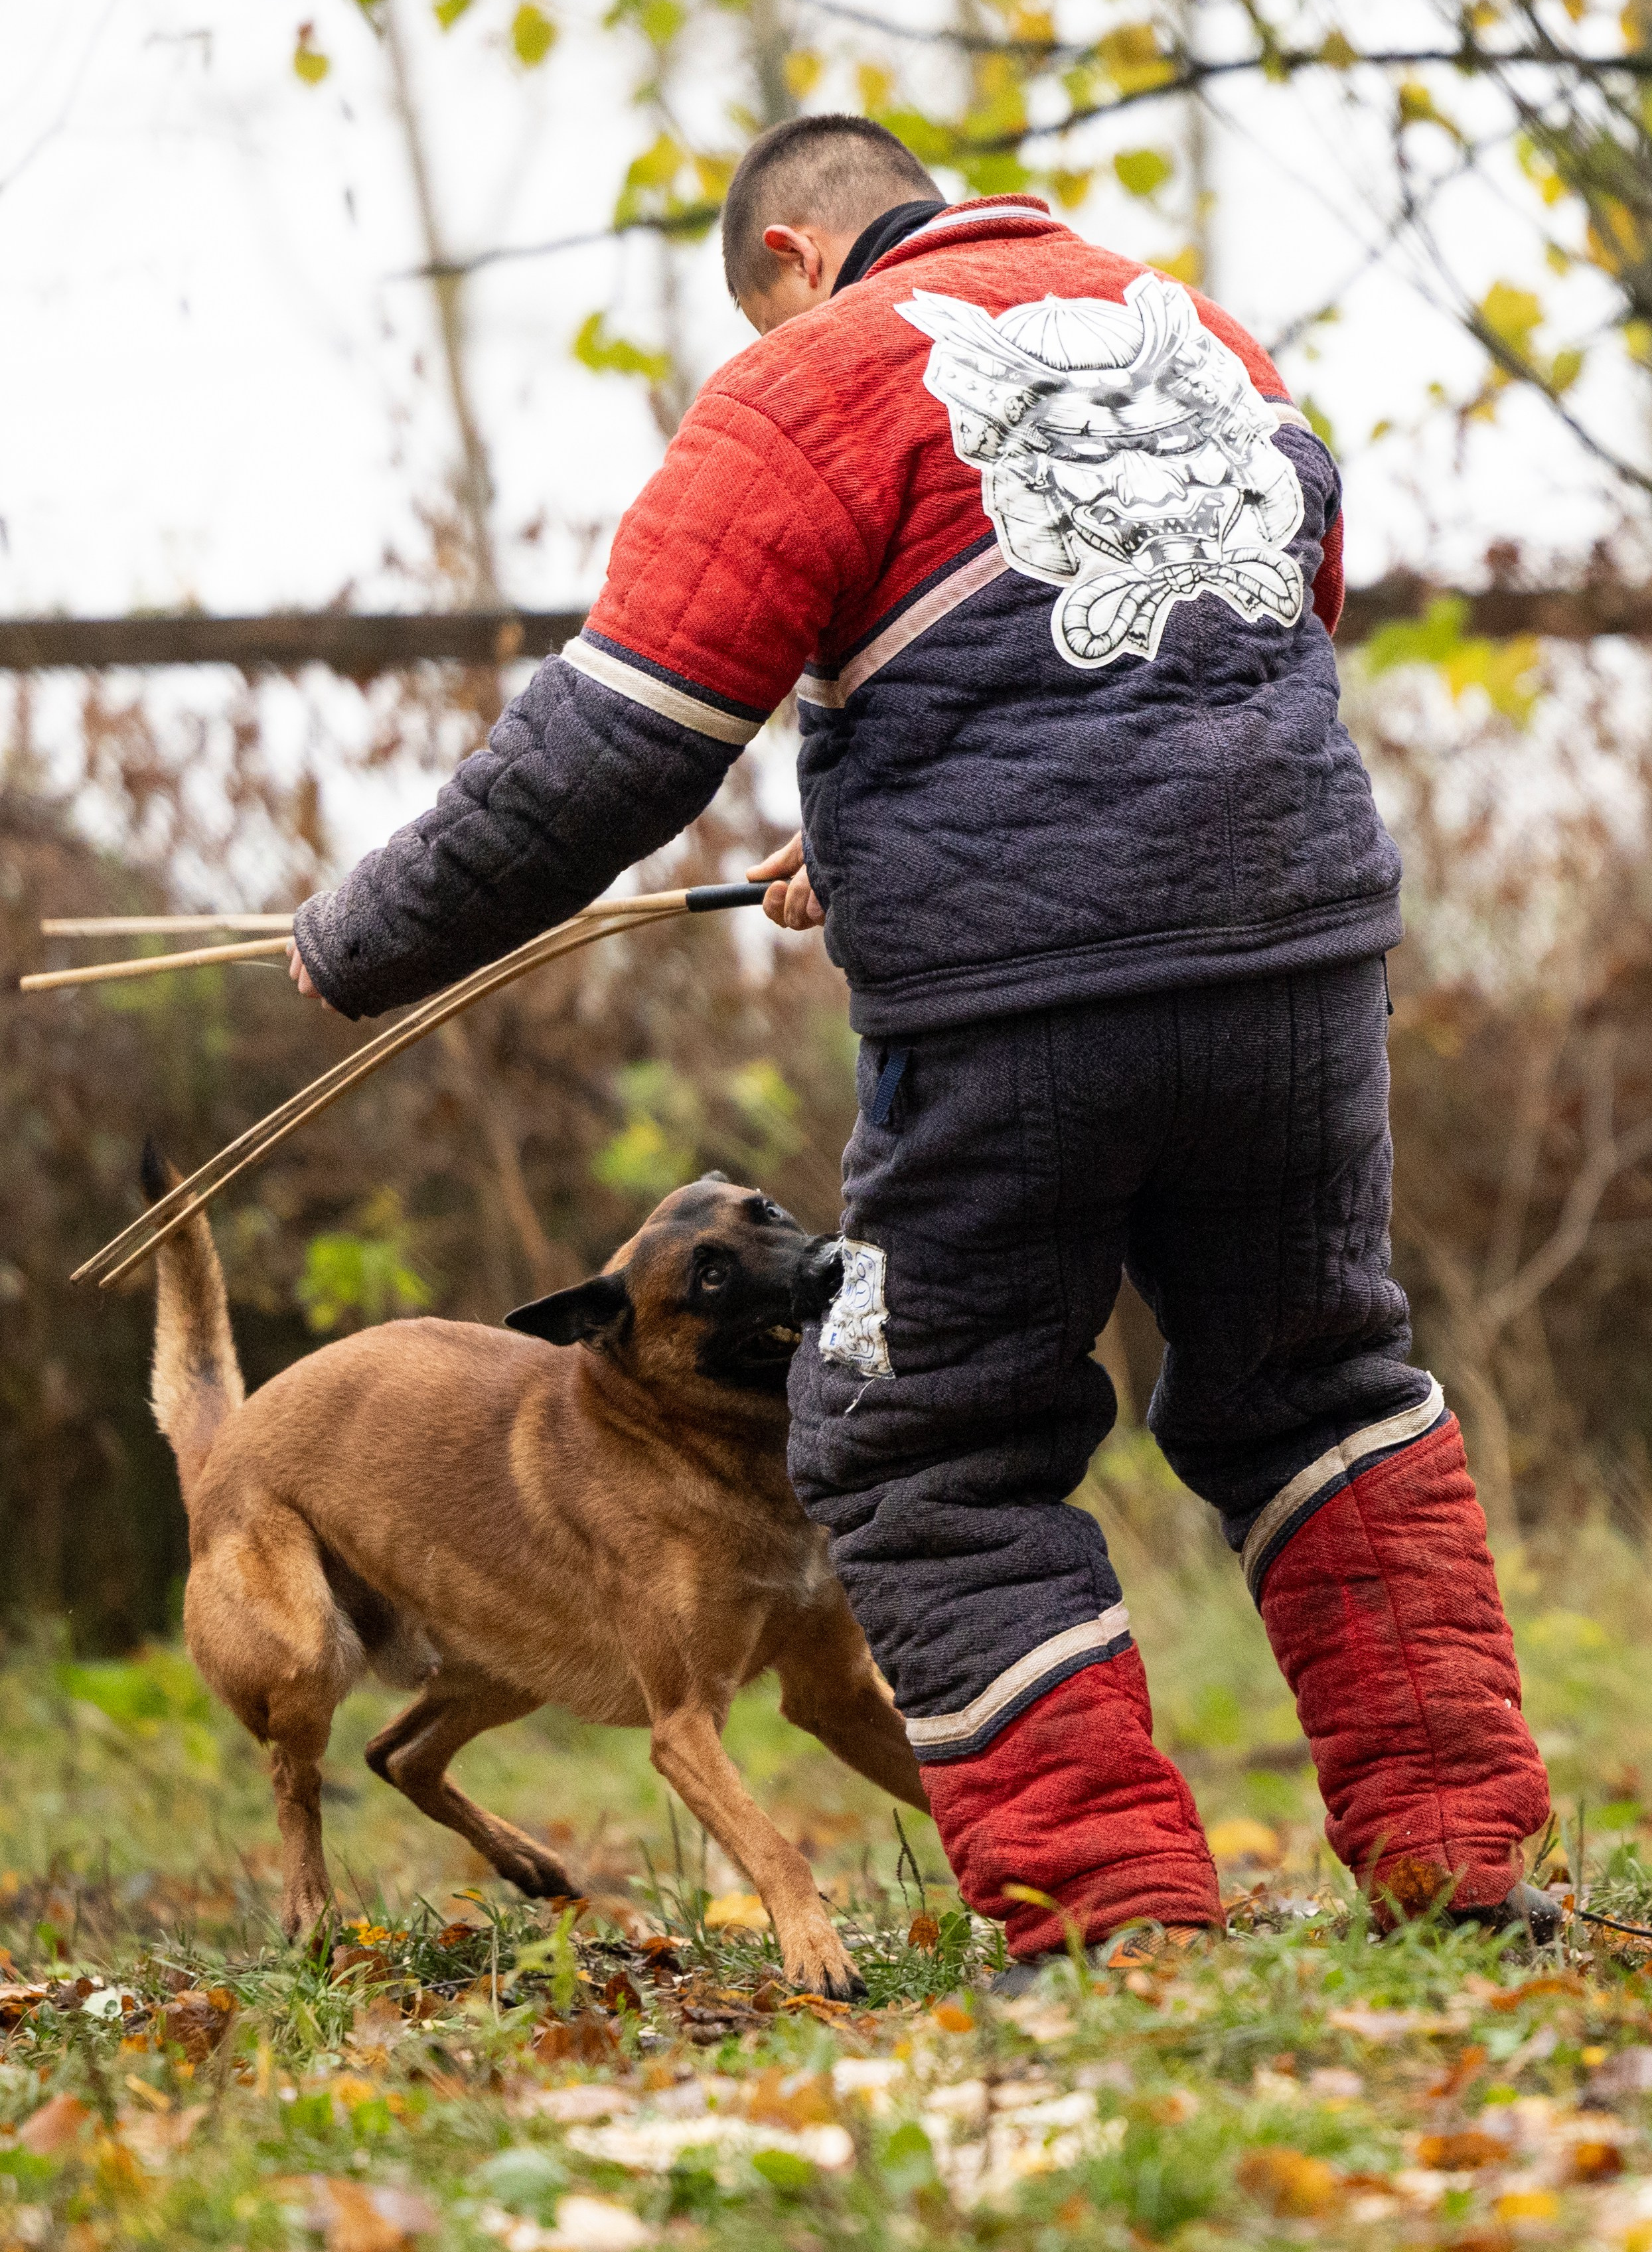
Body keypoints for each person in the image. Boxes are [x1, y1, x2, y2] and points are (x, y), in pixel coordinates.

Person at [289, 113, 1554, 1971]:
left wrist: (351, 942)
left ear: (794, 265)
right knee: (1326, 1386)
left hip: (1026, 1010)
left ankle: (1114, 1913)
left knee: (922, 1442)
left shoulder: (810, 386)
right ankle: (1466, 1862)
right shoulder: (1207, 337)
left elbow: (611, 754)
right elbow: (1206, 668)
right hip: (1301, 956)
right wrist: (876, 837)